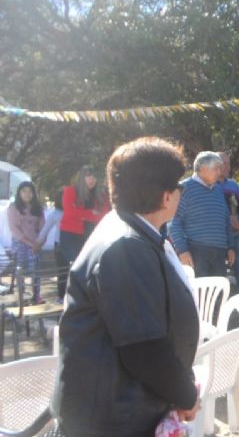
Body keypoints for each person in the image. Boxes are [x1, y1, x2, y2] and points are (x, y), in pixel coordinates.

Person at [53, 137, 200, 436]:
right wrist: (186, 394)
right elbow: (144, 348)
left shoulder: (132, 233)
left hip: (125, 412)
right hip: (112, 421)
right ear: (166, 196)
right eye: (179, 186)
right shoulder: (124, 247)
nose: (181, 193)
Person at [169, 151, 234, 277]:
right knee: (198, 293)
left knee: (217, 292)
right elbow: (175, 222)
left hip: (219, 253)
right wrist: (182, 250)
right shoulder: (184, 188)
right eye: (216, 169)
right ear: (203, 168)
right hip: (196, 252)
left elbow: (225, 220)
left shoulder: (218, 190)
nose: (219, 173)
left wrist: (230, 246)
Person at [59, 165, 110, 267]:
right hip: (71, 234)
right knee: (75, 264)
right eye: (88, 177)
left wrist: (81, 214)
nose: (92, 180)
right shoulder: (70, 191)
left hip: (91, 234)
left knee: (91, 265)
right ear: (82, 178)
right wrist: (91, 213)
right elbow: (69, 212)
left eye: (94, 177)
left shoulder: (102, 196)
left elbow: (104, 215)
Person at [217, 151, 239, 294]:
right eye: (223, 163)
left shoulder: (234, 186)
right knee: (218, 277)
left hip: (236, 236)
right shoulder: (208, 186)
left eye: (229, 163)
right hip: (217, 239)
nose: (227, 167)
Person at [7, 181, 45, 304]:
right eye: (24, 191)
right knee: (20, 269)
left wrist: (39, 242)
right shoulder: (13, 207)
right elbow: (14, 228)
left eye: (30, 191)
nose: (27, 194)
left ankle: (36, 295)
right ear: (19, 193)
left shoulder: (38, 208)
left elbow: (43, 227)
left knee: (36, 269)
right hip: (20, 242)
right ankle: (21, 296)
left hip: (35, 243)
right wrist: (29, 242)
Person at [37, 188, 67, 301]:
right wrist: (38, 243)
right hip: (59, 245)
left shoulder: (75, 212)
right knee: (62, 271)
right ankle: (61, 296)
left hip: (74, 243)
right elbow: (45, 230)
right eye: (63, 198)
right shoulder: (56, 214)